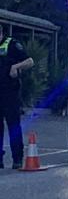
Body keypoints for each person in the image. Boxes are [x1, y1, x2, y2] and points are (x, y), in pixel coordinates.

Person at [0, 25, 34, 169]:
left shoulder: (12, 44)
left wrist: (16, 67)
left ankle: (17, 158)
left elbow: (30, 61)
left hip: (10, 93)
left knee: (13, 125)